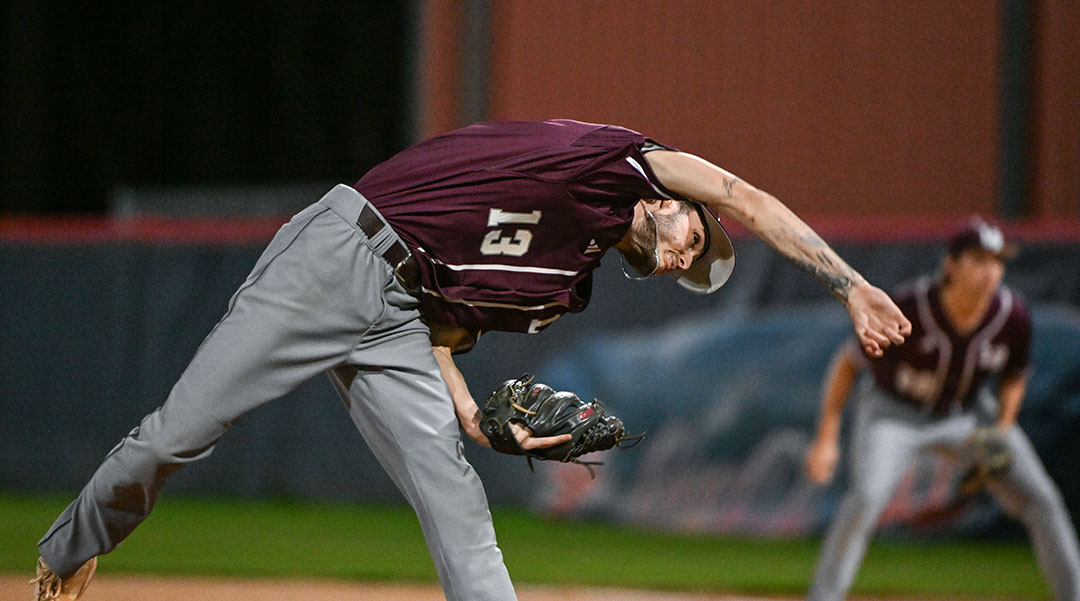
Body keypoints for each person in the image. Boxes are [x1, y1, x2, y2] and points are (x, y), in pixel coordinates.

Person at [32, 118, 910, 601]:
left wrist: (473, 418)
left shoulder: (559, 288)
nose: (690, 250)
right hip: (338, 254)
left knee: (459, 505)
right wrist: (852, 286)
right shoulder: (612, 165)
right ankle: (69, 551)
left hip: (400, 322)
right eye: (697, 235)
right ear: (674, 201)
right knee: (178, 434)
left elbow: (444, 332)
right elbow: (743, 195)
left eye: (693, 263)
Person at [804, 217, 1080, 601]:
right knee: (865, 498)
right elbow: (848, 363)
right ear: (951, 264)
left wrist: (1001, 429)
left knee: (1042, 500)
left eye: (997, 261)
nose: (991, 271)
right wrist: (826, 438)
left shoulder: (1012, 316)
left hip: (968, 415)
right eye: (979, 259)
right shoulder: (909, 307)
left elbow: (1014, 377)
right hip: (893, 413)